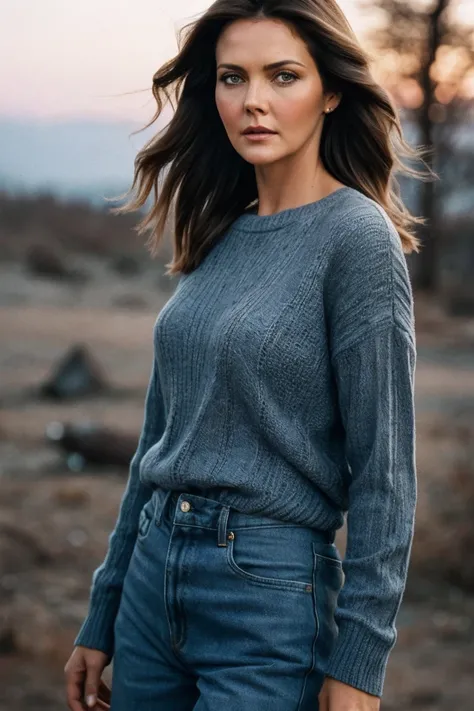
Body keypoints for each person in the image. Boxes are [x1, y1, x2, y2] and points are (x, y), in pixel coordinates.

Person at [65, 1, 429, 709]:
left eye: (283, 75)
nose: (253, 101)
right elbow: (158, 441)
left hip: (265, 592)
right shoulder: (219, 233)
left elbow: (385, 471)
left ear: (330, 91)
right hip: (150, 575)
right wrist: (105, 604)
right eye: (234, 78)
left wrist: (359, 660)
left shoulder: (357, 240)